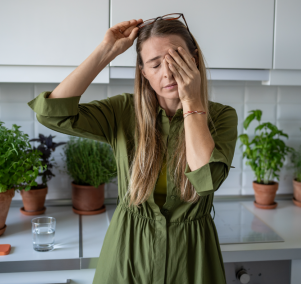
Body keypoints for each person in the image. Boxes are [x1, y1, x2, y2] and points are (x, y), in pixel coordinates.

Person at [28, 16, 237, 284]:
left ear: (194, 60)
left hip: (192, 258)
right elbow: (52, 115)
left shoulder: (221, 117)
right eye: (156, 64)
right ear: (143, 72)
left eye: (177, 59)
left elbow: (206, 179)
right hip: (126, 253)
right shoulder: (123, 111)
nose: (168, 72)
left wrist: (192, 100)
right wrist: (106, 51)